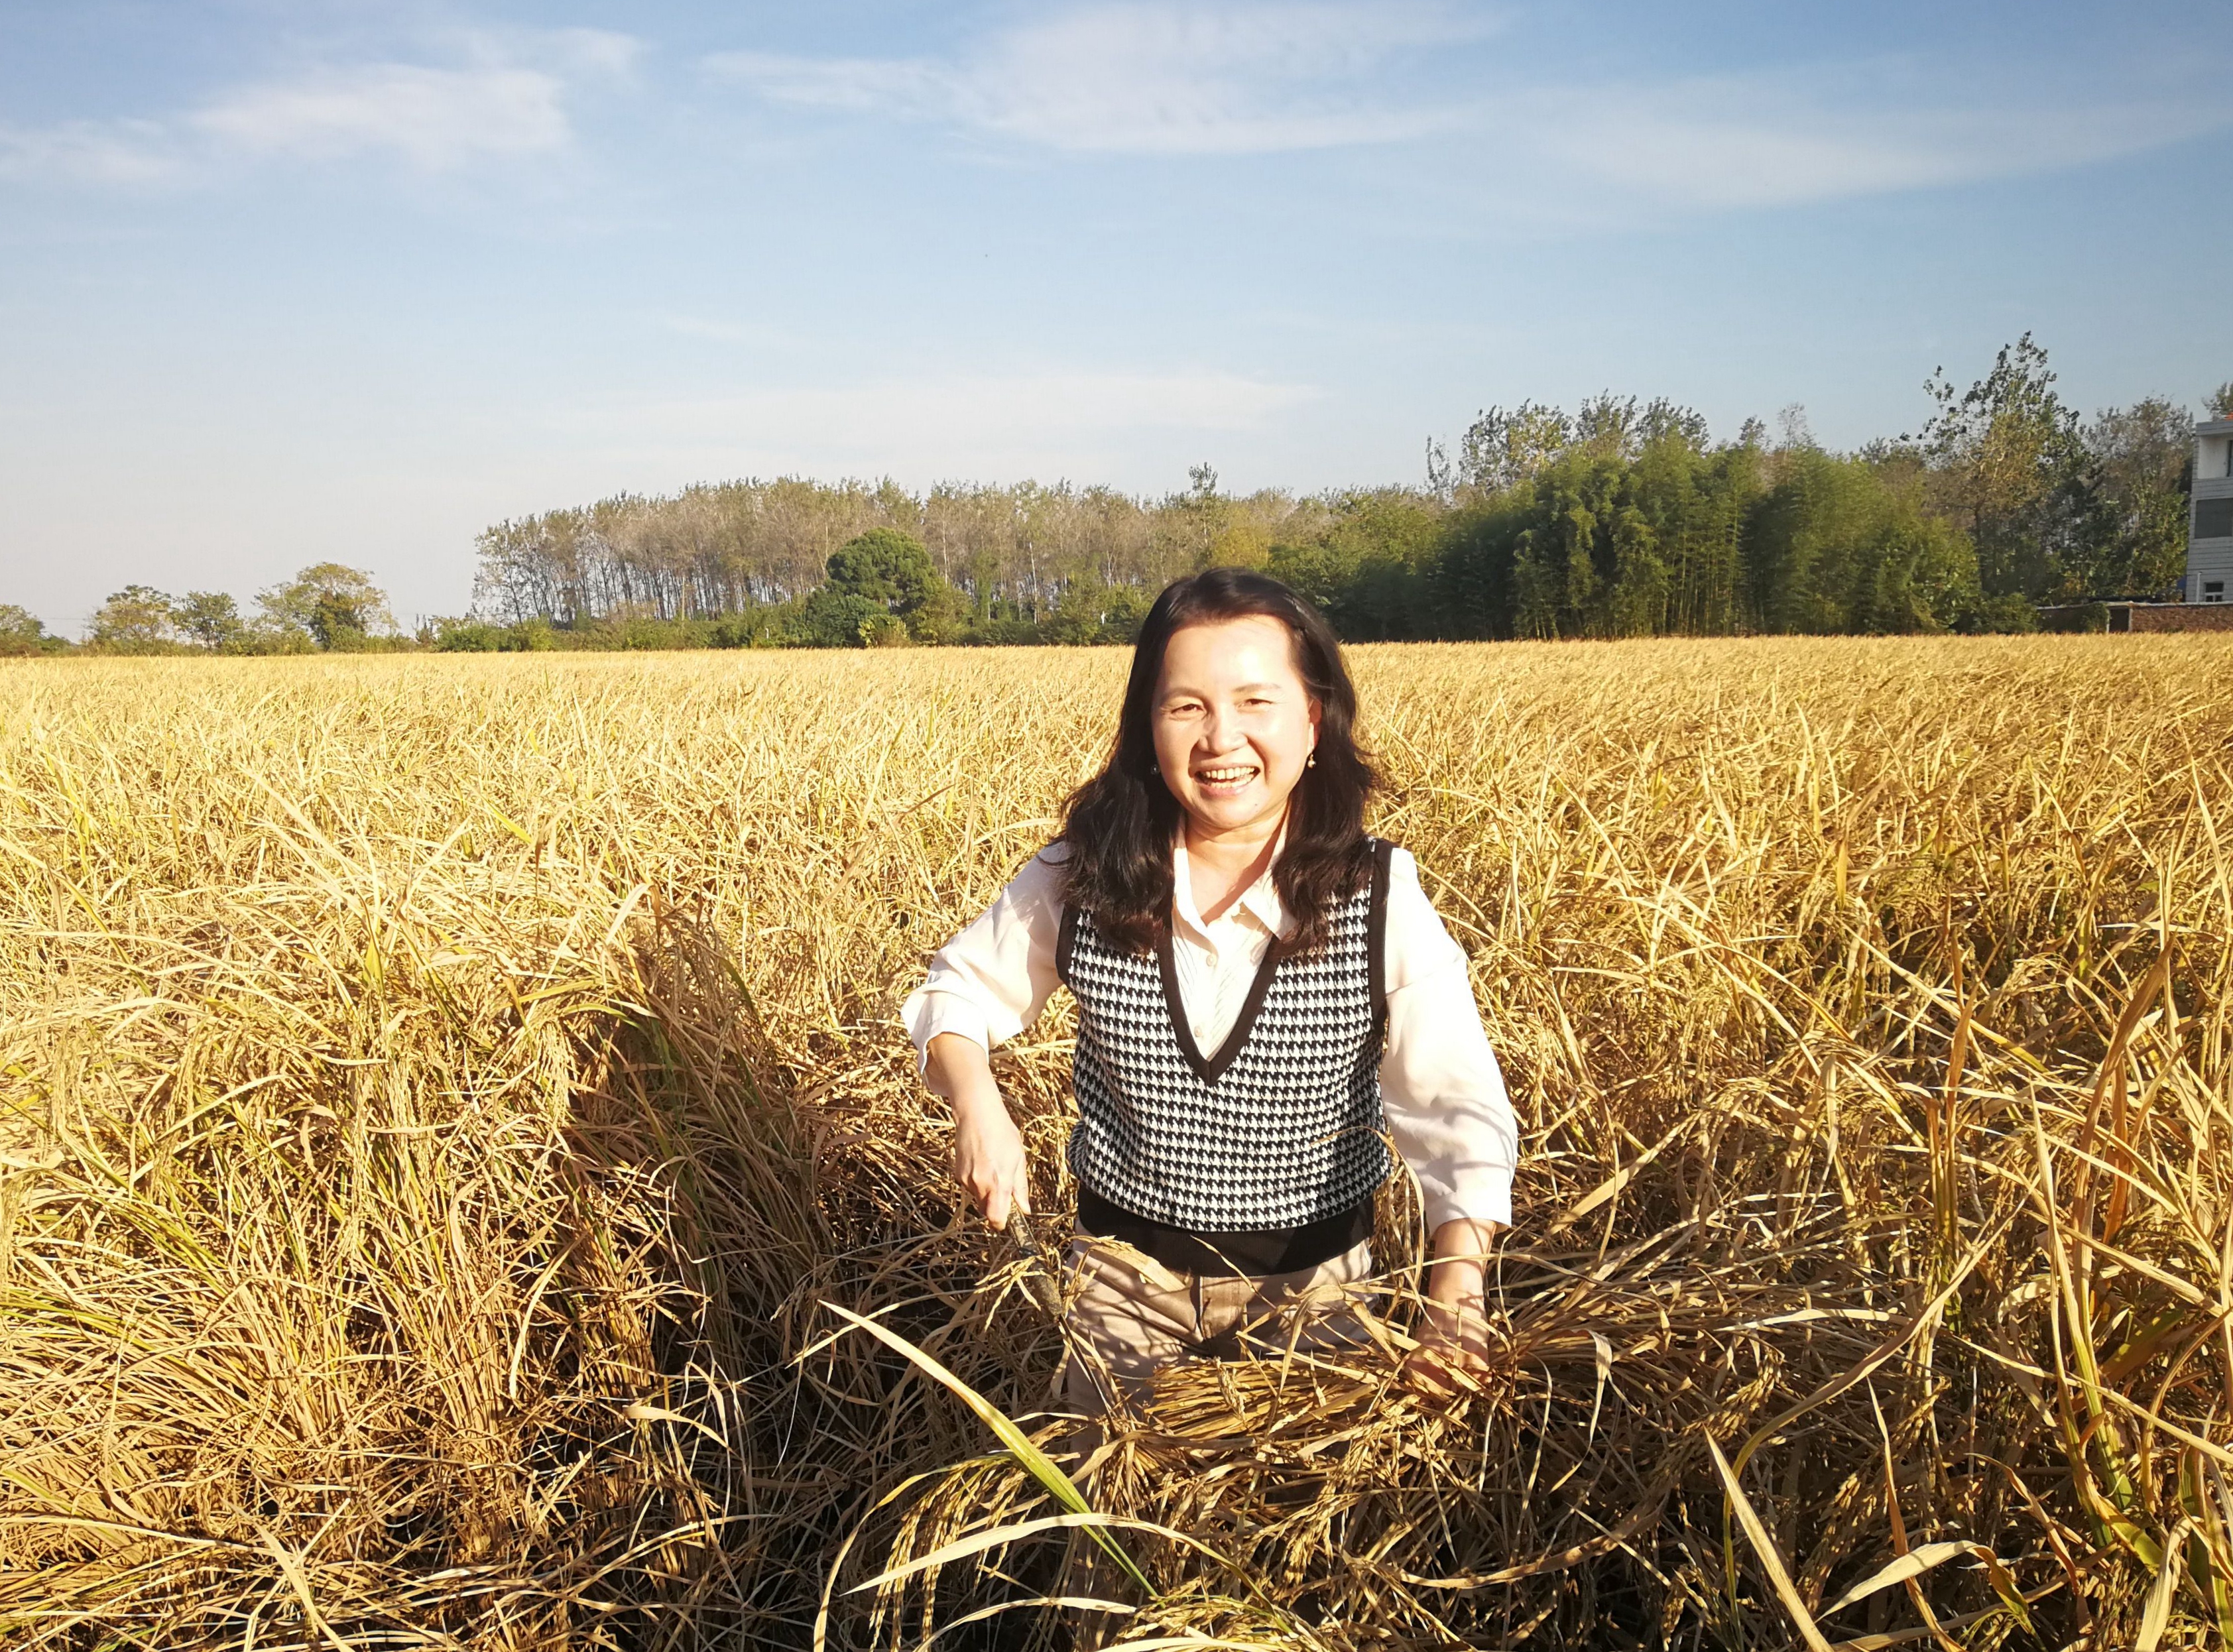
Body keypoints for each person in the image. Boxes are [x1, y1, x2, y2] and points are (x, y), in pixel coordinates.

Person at [903, 567, 1518, 1413]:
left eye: (1255, 702)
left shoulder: (1378, 892)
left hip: (1316, 1298)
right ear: (1147, 728)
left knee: (1286, 1528)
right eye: (1185, 705)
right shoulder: (1080, 873)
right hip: (1121, 1284)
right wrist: (978, 1102)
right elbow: (957, 992)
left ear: (1312, 720)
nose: (1219, 738)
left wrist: (1456, 1294)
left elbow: (1457, 1108)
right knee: (1112, 1520)